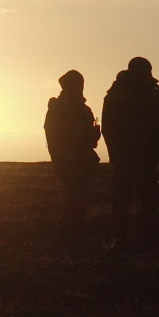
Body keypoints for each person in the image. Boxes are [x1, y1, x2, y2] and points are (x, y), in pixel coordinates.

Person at [100, 56, 159, 246]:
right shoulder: (151, 94)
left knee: (131, 199)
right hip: (135, 157)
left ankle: (126, 237)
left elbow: (107, 128)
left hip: (134, 157)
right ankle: (133, 237)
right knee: (137, 199)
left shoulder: (116, 95)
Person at [44, 70, 102, 245]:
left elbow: (87, 139)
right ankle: (64, 240)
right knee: (74, 200)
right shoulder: (58, 109)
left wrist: (93, 136)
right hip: (68, 162)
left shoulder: (83, 109)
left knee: (79, 201)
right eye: (78, 85)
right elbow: (55, 138)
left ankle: (70, 239)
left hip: (82, 162)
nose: (81, 88)